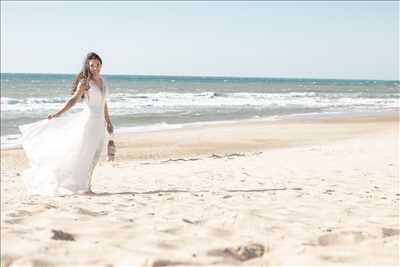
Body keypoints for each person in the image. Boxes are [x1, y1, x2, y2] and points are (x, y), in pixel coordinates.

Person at [18, 52, 114, 195]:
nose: (95, 68)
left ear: (101, 65)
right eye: (92, 65)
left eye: (98, 65)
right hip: (89, 123)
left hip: (99, 124)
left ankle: (87, 184)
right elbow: (74, 100)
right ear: (88, 66)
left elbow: (103, 103)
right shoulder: (85, 83)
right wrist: (58, 113)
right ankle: (84, 187)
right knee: (84, 155)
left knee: (96, 154)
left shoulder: (104, 82)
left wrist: (108, 121)